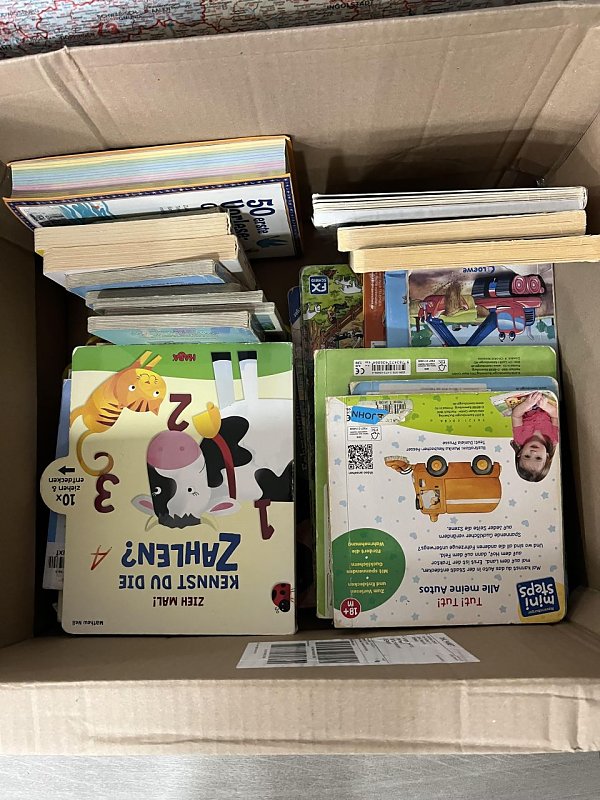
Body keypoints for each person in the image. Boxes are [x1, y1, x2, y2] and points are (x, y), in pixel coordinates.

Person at [510, 391, 559, 482]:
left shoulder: (519, 438)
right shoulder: (554, 438)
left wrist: (526, 404)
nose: (533, 452)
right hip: (548, 403)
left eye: (527, 456)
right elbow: (556, 417)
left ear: (520, 453)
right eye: (538, 458)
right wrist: (545, 406)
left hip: (527, 402)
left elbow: (516, 416)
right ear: (547, 456)